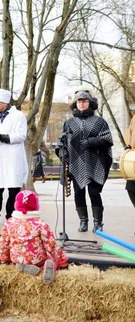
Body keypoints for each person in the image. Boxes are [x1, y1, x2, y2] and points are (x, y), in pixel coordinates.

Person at [56, 90, 112, 233]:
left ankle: (98, 223)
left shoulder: (99, 121)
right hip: (76, 163)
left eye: (84, 101)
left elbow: (107, 140)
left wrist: (91, 142)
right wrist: (62, 152)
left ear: (90, 103)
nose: (81, 103)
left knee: (94, 192)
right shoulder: (69, 123)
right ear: (75, 103)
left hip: (95, 163)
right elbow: (61, 142)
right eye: (79, 101)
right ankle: (83, 221)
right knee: (78, 193)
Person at [0, 190, 68, 285]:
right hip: (37, 260)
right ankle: (46, 267)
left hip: (17, 259)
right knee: (50, 260)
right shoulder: (40, 224)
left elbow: (4, 244)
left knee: (15, 260)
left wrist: (4, 259)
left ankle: (21, 267)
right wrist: (62, 261)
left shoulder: (9, 223)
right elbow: (51, 245)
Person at [0, 88, 29, 224]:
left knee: (13, 188)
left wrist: (4, 138)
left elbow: (22, 135)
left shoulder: (18, 116)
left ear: (4, 102)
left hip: (12, 156)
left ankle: (11, 216)